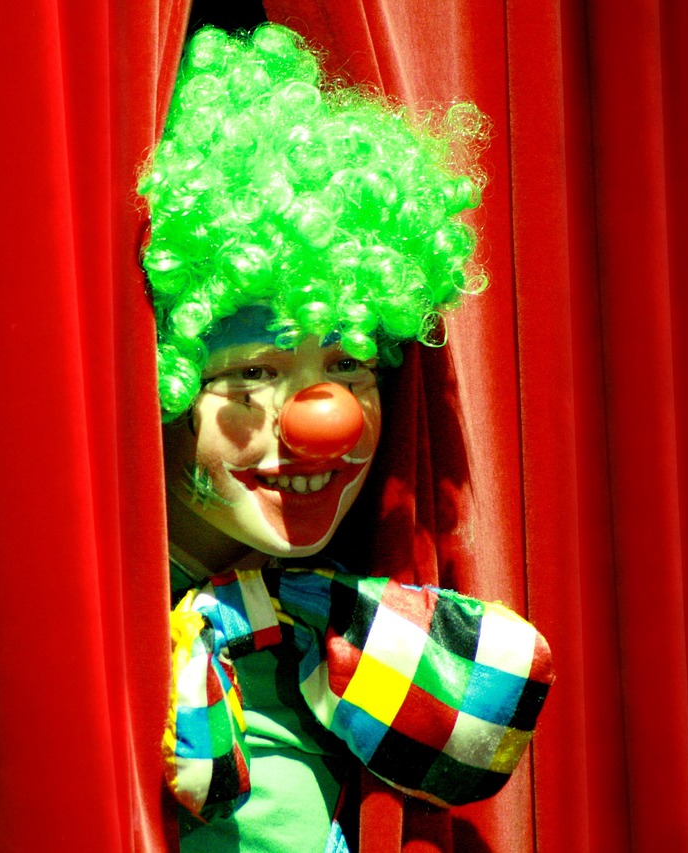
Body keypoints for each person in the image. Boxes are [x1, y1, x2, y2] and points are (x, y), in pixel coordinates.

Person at [138, 23, 554, 853]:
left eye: (348, 364)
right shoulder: (105, 638)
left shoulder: (343, 631)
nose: (323, 421)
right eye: (252, 372)